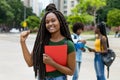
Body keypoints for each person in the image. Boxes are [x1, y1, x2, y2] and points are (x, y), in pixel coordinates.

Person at [20, 3, 76, 80]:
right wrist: (22, 42)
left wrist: (52, 63)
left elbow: (71, 71)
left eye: (53, 21)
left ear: (60, 21)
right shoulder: (41, 42)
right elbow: (30, 63)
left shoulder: (68, 44)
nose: (50, 24)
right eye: (47, 22)